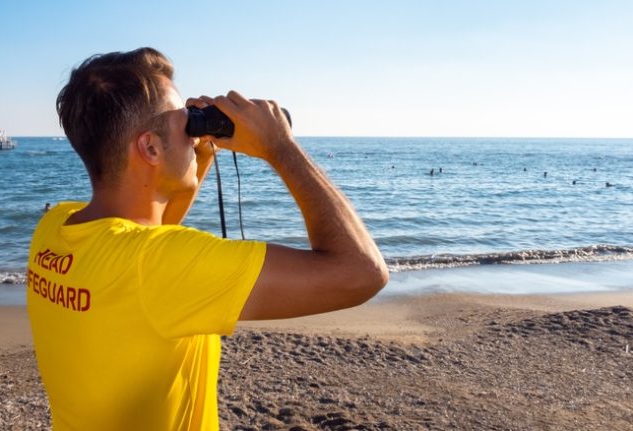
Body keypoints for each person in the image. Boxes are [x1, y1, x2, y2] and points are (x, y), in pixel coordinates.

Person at [26, 48, 388, 431]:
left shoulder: (56, 226)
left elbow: (153, 229)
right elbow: (362, 272)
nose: (192, 131)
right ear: (150, 147)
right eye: (185, 122)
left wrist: (196, 153)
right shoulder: (157, 266)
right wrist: (280, 146)